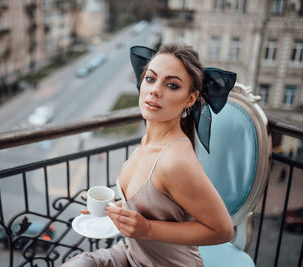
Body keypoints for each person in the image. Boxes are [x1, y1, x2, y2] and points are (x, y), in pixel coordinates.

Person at [62, 43, 236, 267]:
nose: (155, 90)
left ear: (190, 99)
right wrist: (114, 211)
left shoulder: (176, 161)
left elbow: (222, 231)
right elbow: (153, 205)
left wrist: (147, 229)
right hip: (130, 254)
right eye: (150, 79)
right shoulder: (148, 140)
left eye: (172, 85)